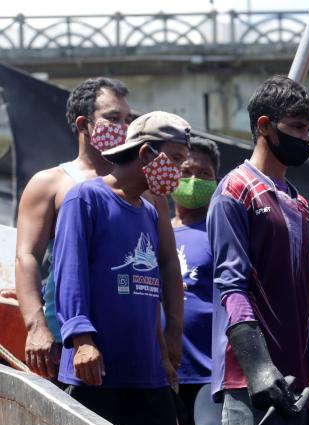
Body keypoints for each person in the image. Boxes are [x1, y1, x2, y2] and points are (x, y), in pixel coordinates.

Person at [15, 77, 184, 380]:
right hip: (67, 341)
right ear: (84, 124)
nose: (124, 127)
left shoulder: (148, 187)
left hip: (136, 345)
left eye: (128, 119)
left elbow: (168, 263)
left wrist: (172, 331)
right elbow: (27, 257)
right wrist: (36, 326)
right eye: (113, 118)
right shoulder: (52, 184)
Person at [207, 75, 309, 425]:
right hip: (249, 383)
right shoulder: (235, 191)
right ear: (264, 126)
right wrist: (258, 367)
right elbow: (232, 286)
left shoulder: (298, 202)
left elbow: (305, 300)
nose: (306, 139)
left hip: (295, 385)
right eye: (297, 127)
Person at [53, 111, 192, 425]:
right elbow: (68, 270)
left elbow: (151, 290)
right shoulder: (86, 198)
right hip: (96, 374)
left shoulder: (147, 211)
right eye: (173, 159)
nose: (178, 172)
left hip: (147, 374)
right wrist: (82, 339)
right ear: (145, 153)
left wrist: (165, 350)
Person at [171, 135, 223, 425]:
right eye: (186, 171)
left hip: (208, 371)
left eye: (204, 175)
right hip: (161, 372)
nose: (193, 181)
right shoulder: (154, 225)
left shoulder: (222, 231)